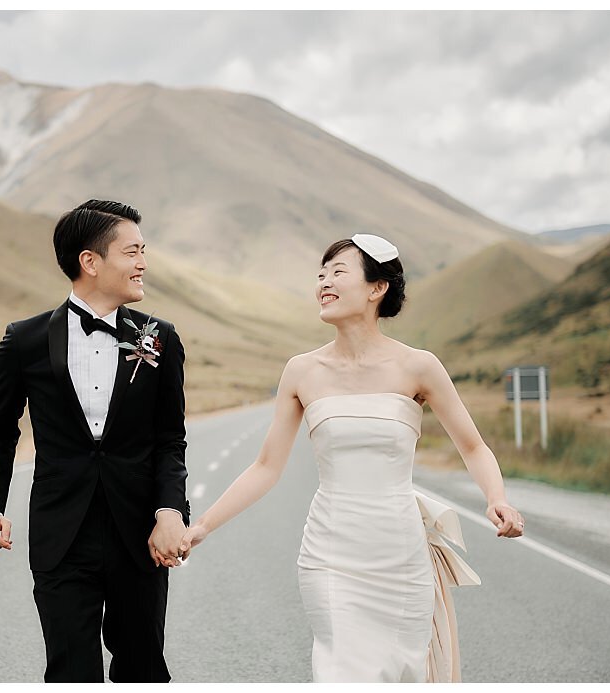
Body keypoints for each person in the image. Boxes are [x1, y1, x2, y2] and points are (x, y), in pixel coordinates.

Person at [180, 233, 525, 682]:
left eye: (338, 272)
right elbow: (266, 466)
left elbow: (473, 447)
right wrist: (203, 526)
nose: (323, 282)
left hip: (401, 556)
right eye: (320, 274)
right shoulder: (302, 370)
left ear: (376, 288)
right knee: (341, 672)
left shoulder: (419, 366)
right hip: (330, 554)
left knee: (401, 673)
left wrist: (496, 497)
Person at [0, 199, 191, 682]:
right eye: (132, 252)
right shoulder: (24, 340)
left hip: (140, 536)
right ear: (90, 262)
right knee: (71, 672)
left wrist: (170, 511)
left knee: (143, 669)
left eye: (143, 251)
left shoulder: (160, 339)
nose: (143, 263)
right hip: (61, 536)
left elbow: (169, 439)